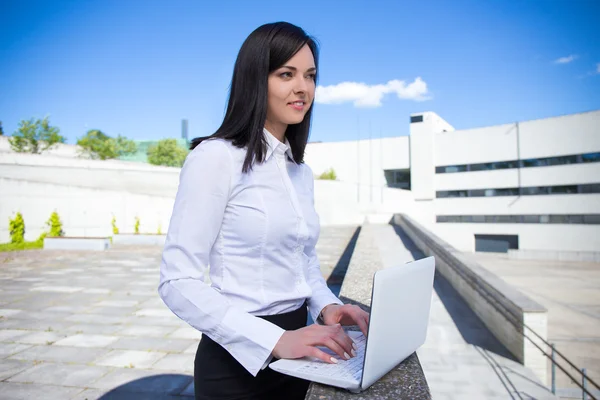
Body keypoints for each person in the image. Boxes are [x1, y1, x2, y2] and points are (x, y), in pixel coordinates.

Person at [158, 21, 370, 400]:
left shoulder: (299, 171)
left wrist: (328, 307)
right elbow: (177, 282)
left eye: (310, 76)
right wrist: (276, 339)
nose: (303, 88)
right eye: (286, 74)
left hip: (302, 352)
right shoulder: (215, 158)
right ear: (256, 79)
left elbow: (302, 263)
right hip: (237, 364)